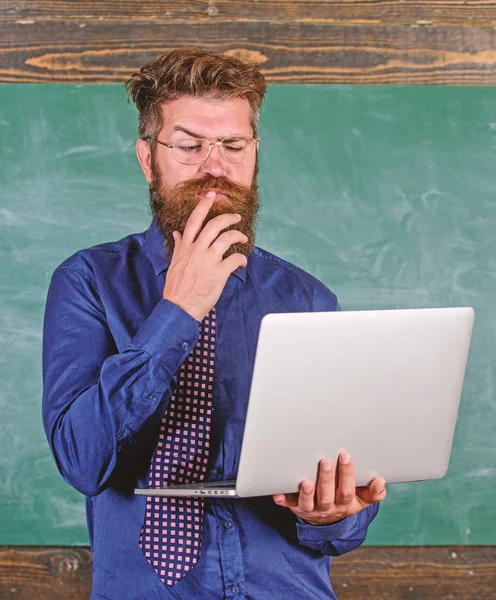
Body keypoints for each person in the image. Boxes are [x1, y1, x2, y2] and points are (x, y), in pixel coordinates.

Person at [42, 48, 387, 600]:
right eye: (188, 145)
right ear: (147, 158)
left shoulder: (308, 299)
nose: (214, 165)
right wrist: (177, 312)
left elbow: (340, 532)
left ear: (254, 154)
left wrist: (332, 515)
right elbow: (83, 461)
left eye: (233, 145)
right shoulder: (88, 282)